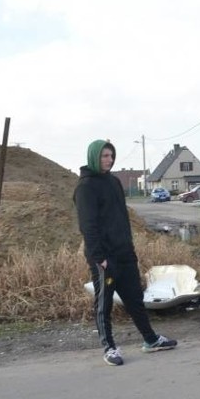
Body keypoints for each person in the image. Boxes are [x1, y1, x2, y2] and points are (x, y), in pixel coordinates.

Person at [74, 139, 177, 366]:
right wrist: (99, 258)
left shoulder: (114, 182)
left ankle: (150, 340)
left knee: (135, 299)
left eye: (111, 156)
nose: (109, 160)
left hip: (124, 254)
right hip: (104, 258)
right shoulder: (85, 187)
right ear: (93, 157)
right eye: (104, 156)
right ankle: (109, 348)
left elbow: (122, 219)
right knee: (104, 304)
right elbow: (88, 227)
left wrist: (130, 249)